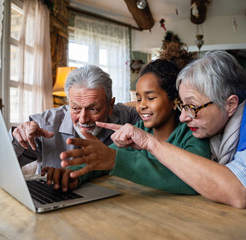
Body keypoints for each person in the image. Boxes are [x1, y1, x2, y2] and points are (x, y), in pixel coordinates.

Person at [65, 51, 246, 239]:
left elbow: (240, 192)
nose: (183, 117)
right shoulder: (221, 105)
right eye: (182, 106)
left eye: (191, 107)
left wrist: (150, 143)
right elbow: (141, 104)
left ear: (231, 104)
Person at [55, 59, 210, 193]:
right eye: (138, 98)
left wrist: (116, 160)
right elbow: (103, 158)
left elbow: (196, 180)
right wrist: (71, 174)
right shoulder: (139, 130)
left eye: (150, 98)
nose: (142, 106)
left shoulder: (192, 133)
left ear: (174, 100)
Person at [8, 65, 141, 183]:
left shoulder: (127, 117)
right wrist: (17, 141)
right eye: (75, 108)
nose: (83, 119)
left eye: (93, 109)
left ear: (110, 105)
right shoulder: (43, 124)